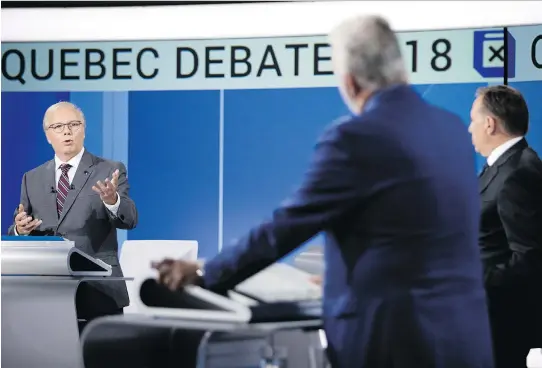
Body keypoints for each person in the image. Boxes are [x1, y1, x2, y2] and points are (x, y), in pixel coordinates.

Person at [153, 15, 494, 368]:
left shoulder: (355, 138)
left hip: (397, 344)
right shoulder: (452, 129)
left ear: (349, 81)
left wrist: (207, 272)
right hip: (464, 340)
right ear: (400, 68)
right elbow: (420, 236)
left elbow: (286, 227)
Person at [8, 101, 138, 329]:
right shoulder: (32, 178)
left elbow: (130, 219)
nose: (67, 132)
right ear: (48, 135)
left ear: (84, 129)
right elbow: (16, 231)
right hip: (46, 294)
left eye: (73, 124)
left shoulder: (109, 169)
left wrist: (112, 201)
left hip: (99, 292)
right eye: (58, 127)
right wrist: (20, 230)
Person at [469, 85, 542, 368]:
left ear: (490, 124)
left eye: (473, 120)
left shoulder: (519, 173)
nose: (469, 129)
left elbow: (530, 259)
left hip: (499, 324)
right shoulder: (502, 166)